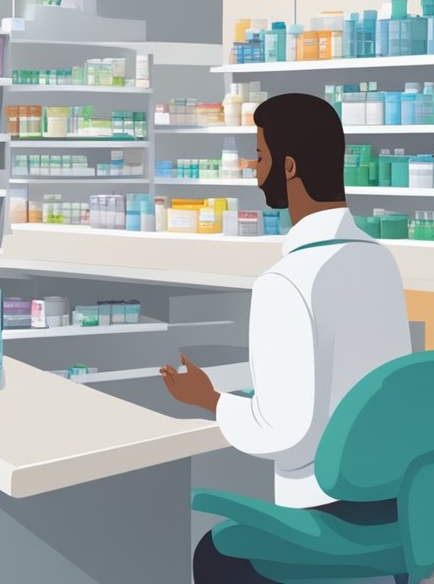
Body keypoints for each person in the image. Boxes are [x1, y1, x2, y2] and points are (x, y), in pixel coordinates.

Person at [160, 92, 413, 583]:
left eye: (259, 156)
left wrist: (211, 400)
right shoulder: (380, 262)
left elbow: (284, 431)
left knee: (215, 554)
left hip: (325, 516)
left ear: (289, 167)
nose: (255, 172)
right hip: (393, 510)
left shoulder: (288, 281)